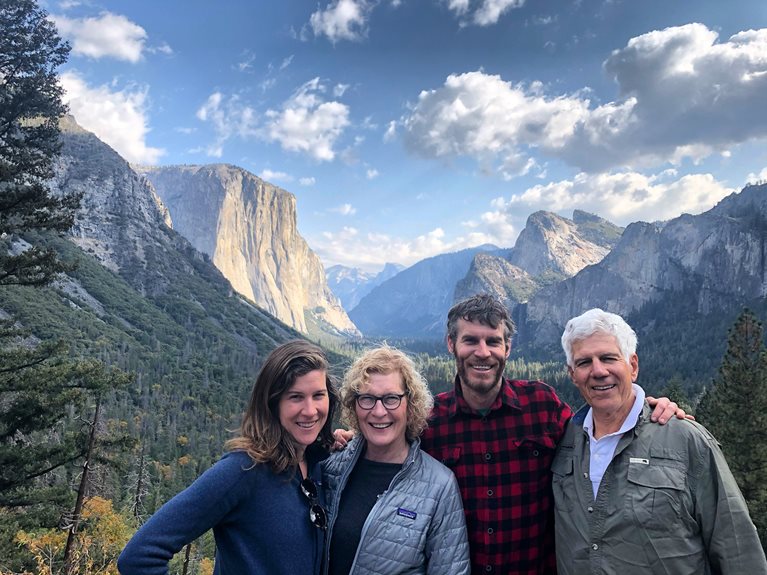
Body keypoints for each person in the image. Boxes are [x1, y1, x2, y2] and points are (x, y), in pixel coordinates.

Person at [335, 294, 682, 574]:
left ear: (508, 348)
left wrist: (645, 409)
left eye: (493, 341)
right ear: (451, 344)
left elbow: (601, 434)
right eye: (470, 340)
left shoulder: (542, 406)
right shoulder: (429, 420)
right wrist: (354, 440)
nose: (482, 352)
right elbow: (386, 437)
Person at [552, 308, 767, 573]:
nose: (598, 371)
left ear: (632, 366)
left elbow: (738, 550)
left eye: (608, 358)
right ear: (572, 374)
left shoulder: (687, 440)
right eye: (584, 362)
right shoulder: (562, 442)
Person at [118, 340, 337, 575]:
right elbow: (139, 556)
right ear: (273, 403)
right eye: (295, 397)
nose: (310, 410)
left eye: (318, 395)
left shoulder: (319, 463)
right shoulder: (244, 470)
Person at [322, 345, 470, 575]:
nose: (379, 411)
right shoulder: (331, 466)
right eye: (367, 398)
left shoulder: (440, 486)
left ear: (410, 405)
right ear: (354, 405)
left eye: (391, 398)